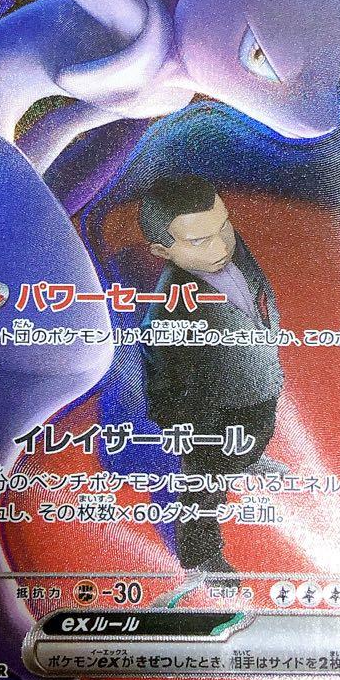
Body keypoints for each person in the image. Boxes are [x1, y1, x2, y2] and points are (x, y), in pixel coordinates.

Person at [138, 175, 288, 587]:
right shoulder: (168, 308)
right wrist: (182, 424)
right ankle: (201, 556)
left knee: (258, 432)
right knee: (204, 483)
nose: (221, 247)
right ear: (161, 250)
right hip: (209, 409)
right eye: (199, 241)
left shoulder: (235, 250)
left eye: (223, 228)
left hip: (257, 379)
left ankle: (246, 458)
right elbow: (161, 372)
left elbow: (257, 290)